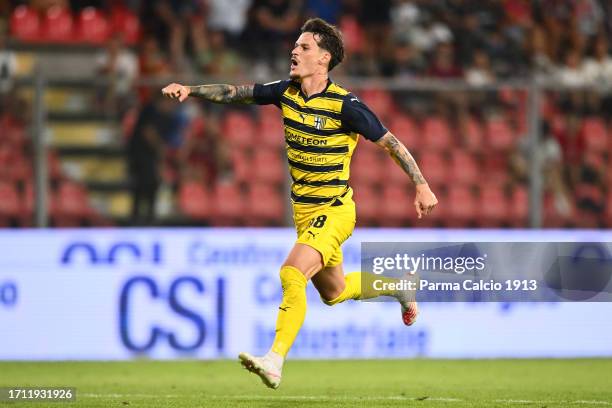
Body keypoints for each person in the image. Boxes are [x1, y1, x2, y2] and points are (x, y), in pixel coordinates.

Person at [162, 18, 437, 389]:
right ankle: (398, 287)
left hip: (336, 210)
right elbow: (236, 92)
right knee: (334, 292)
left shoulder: (346, 105)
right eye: (295, 45)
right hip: (305, 213)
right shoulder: (285, 92)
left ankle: (274, 360)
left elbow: (391, 143)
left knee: (292, 273)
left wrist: (421, 185)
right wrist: (190, 90)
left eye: (304, 47)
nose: (295, 51)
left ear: (324, 58)